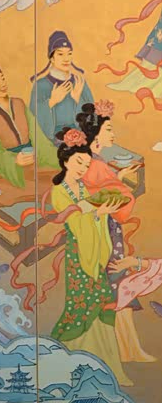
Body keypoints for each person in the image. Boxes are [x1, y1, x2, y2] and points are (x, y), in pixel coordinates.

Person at [49, 128, 132, 386]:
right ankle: (65, 363)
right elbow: (76, 223)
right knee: (80, 304)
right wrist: (97, 214)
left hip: (94, 252)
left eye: (86, 164)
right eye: (78, 162)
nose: (83, 169)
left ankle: (108, 367)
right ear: (65, 161)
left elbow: (92, 209)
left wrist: (100, 212)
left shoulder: (83, 188)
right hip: (79, 254)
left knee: (103, 299)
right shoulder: (59, 191)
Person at [76, 101, 155, 364]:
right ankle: (127, 349)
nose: (113, 135)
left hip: (104, 230)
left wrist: (117, 180)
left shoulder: (93, 161)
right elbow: (115, 206)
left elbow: (102, 190)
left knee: (119, 286)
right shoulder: (95, 164)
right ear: (96, 136)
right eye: (109, 129)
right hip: (105, 231)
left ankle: (128, 348)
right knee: (118, 286)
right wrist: (121, 188)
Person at [0, 61, 59, 206]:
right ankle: (45, 191)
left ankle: (44, 189)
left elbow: (38, 136)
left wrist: (58, 156)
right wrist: (15, 160)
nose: (2, 84)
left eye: (3, 78)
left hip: (32, 160)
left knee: (64, 171)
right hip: (5, 168)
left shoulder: (19, 104)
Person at [30, 31, 93, 142]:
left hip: (81, 136)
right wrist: (51, 102)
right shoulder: (41, 85)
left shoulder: (79, 82)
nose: (66, 58)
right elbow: (32, 117)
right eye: (60, 54)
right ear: (52, 58)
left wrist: (78, 100)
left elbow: (94, 117)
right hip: (53, 139)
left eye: (69, 53)